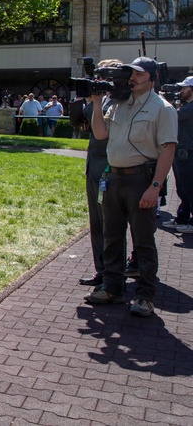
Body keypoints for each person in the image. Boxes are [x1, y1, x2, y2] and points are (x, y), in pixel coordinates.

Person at [84, 57, 177, 317]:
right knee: (112, 237)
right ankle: (112, 288)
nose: (131, 78)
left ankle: (145, 297)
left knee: (143, 241)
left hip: (141, 181)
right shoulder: (119, 103)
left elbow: (168, 148)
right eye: (130, 74)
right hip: (113, 178)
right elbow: (101, 134)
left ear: (152, 77)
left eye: (138, 74)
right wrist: (97, 101)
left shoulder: (162, 108)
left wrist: (155, 186)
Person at [72, 60, 119, 287]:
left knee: (111, 224)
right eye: (97, 76)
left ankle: (113, 274)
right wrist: (85, 98)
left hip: (111, 168)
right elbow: (79, 123)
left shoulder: (121, 102)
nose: (98, 81)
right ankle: (102, 270)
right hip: (93, 167)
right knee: (97, 223)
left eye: (103, 76)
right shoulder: (96, 101)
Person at [168, 76, 193, 233]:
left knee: (189, 187)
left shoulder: (190, 109)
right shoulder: (187, 106)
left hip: (188, 152)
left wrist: (167, 103)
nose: (181, 91)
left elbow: (172, 116)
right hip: (182, 150)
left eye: (184, 88)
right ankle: (182, 218)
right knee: (183, 188)